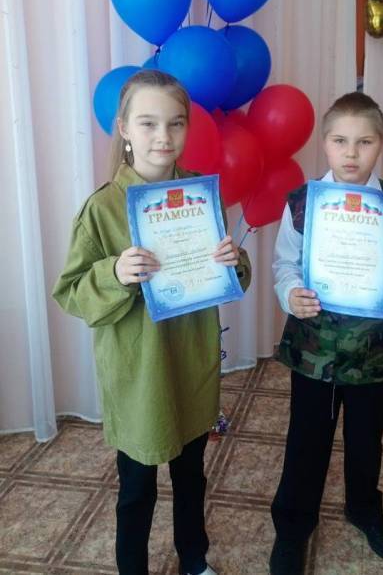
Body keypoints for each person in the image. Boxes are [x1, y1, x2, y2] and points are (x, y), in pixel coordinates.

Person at [53, 70, 251, 575]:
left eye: (175, 123)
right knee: (137, 488)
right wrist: (115, 272)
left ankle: (194, 560)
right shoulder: (102, 208)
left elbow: (233, 276)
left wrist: (234, 261)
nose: (163, 136)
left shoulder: (202, 196)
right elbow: (71, 292)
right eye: (148, 123)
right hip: (137, 371)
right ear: (124, 128)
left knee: (191, 476)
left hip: (191, 359)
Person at [269, 92, 383, 575]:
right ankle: (293, 527)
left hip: (375, 355)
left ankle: (363, 508)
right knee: (307, 441)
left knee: (366, 440)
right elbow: (284, 263)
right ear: (324, 143)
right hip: (315, 352)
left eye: (364, 142)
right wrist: (290, 293)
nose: (351, 153)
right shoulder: (303, 202)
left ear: (380, 144)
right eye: (340, 141)